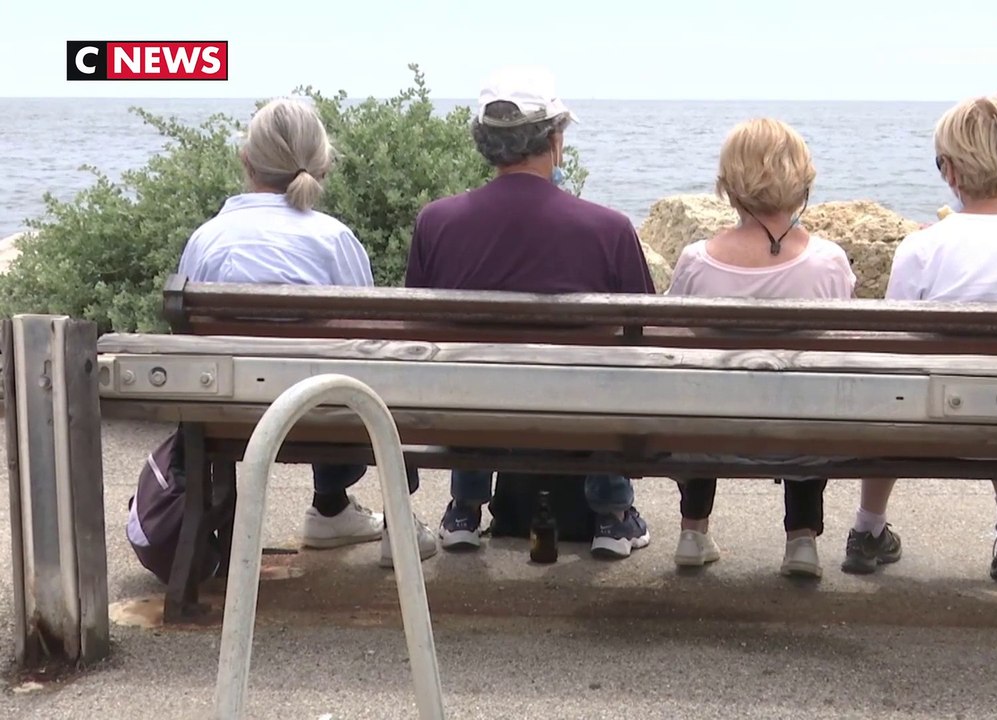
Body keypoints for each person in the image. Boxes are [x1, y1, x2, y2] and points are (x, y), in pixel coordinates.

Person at [176, 97, 439, 568]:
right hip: (328, 413)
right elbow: (368, 341)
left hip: (225, 413)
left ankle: (332, 513)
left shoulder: (209, 237)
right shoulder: (334, 238)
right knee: (367, 372)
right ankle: (381, 518)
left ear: (246, 159)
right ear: (321, 164)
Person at [405, 66, 655, 559]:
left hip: (468, 410)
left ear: (484, 141)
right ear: (555, 139)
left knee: (469, 372)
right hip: (580, 413)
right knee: (613, 375)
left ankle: (464, 510)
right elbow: (645, 333)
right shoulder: (609, 228)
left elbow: (418, 327)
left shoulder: (436, 223)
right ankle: (612, 514)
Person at [842, 93, 997, 582]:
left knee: (898, 385)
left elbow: (890, 349)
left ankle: (868, 528)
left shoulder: (923, 246)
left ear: (951, 172)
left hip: (930, 424)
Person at [666, 118, 856, 578]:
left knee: (703, 390)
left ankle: (693, 530)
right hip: (802, 434)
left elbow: (672, 339)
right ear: (802, 181)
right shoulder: (828, 262)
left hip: (710, 434)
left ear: (729, 185)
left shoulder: (696, 260)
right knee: (804, 393)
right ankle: (802, 541)